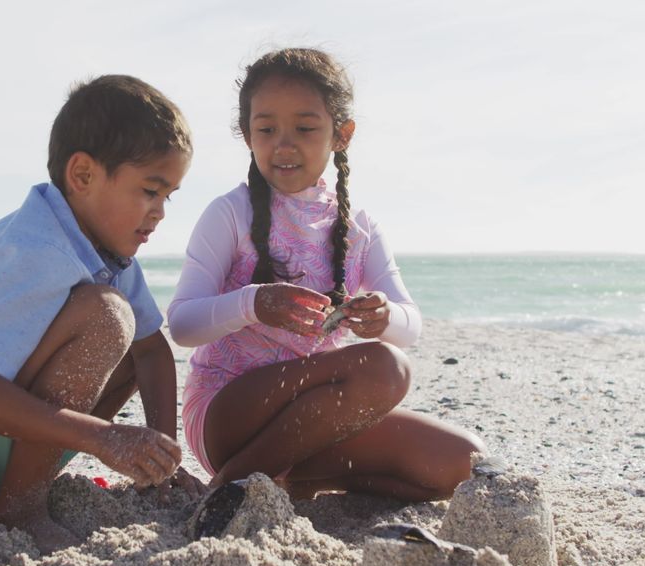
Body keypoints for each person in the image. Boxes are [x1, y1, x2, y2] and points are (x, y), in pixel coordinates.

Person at [0, 75, 201, 553]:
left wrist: (161, 459)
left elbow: (154, 354)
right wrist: (103, 436)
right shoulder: (34, 246)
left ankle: (23, 484)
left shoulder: (110, 251)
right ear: (83, 175)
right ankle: (20, 508)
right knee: (105, 316)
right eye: (149, 191)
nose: (159, 212)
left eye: (167, 197)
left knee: (130, 331)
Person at [168, 48, 484, 501]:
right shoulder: (229, 213)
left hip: (315, 423)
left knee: (463, 462)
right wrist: (253, 303)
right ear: (247, 135)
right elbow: (182, 324)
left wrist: (383, 316)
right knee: (384, 367)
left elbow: (410, 324)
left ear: (342, 134)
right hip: (229, 414)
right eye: (266, 129)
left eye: (305, 127)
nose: (284, 143)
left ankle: (297, 480)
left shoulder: (360, 229)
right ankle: (232, 485)